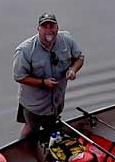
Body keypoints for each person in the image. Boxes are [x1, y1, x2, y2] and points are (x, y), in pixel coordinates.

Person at [12, 14, 83, 144]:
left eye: (52, 26)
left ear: (57, 27)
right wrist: (43, 83)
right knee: (30, 129)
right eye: (45, 26)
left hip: (57, 100)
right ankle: (23, 149)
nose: (49, 30)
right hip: (34, 104)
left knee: (53, 125)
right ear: (38, 29)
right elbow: (19, 76)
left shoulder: (67, 39)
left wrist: (73, 69)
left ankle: (51, 147)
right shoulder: (25, 50)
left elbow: (79, 57)